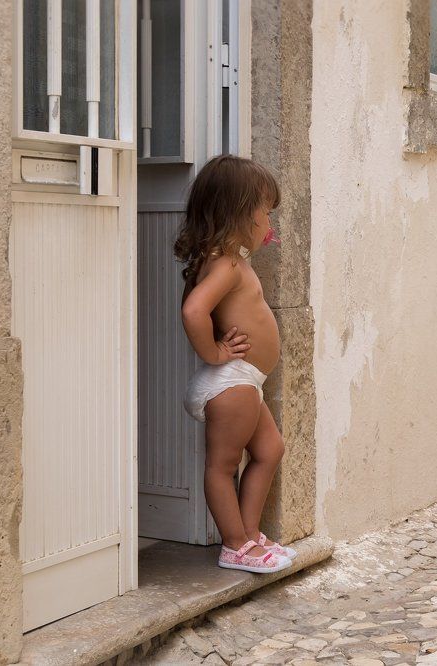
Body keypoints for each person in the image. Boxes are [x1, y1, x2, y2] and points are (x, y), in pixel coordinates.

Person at [174, 154, 297, 572]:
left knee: (269, 449)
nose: (269, 223)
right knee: (223, 465)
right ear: (241, 215)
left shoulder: (231, 259)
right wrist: (213, 352)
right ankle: (234, 544)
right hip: (232, 381)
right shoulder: (226, 263)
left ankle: (249, 535)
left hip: (245, 381)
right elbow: (194, 311)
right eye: (265, 213)